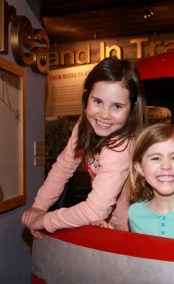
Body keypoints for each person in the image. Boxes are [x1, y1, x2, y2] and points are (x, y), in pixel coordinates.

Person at [21, 57, 147, 239]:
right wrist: (39, 206)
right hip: (104, 225)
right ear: (86, 96)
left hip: (129, 232)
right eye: (97, 101)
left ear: (132, 109)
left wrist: (44, 220)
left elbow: (95, 211)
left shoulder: (121, 146)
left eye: (117, 106)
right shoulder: (85, 125)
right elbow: (64, 166)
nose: (104, 115)